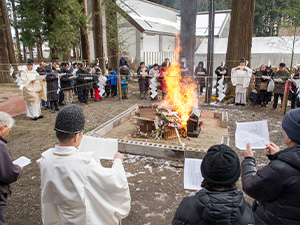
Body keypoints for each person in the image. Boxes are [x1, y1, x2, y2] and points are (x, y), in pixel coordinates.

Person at [37, 104, 131, 225]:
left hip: (63, 217)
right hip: (82, 219)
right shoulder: (84, 163)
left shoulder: (45, 159)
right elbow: (113, 181)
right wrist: (118, 162)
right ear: (76, 137)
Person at [241, 108, 300, 224]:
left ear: (291, 135)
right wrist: (278, 156)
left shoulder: (281, 170)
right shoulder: (285, 166)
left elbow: (251, 186)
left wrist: (248, 159)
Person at [173, 144, 254, 225]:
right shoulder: (247, 213)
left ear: (204, 173)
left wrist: (199, 199)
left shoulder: (187, 206)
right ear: (235, 175)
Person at [0, 112, 23, 225]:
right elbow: (9, 174)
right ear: (3, 127)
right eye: (9, 128)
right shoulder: (1, 146)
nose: (9, 131)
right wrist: (18, 169)